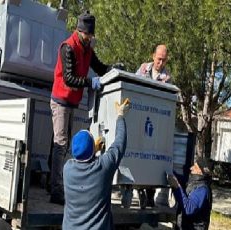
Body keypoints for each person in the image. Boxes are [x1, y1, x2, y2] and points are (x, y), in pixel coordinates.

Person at [50, 10, 122, 205]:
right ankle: (56, 191)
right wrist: (91, 82)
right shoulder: (68, 47)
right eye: (88, 35)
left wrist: (114, 69)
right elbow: (69, 78)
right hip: (61, 100)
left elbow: (99, 67)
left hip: (72, 101)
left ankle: (58, 182)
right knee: (61, 144)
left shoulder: (87, 48)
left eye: (91, 36)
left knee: (64, 145)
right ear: (80, 31)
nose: (90, 38)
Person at [62, 99, 130, 230]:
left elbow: (80, 158)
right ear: (92, 149)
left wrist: (93, 150)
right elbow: (120, 142)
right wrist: (120, 115)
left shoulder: (68, 169)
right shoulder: (103, 166)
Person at [135, 44, 171, 208]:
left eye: (164, 60)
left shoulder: (167, 77)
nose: (160, 62)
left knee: (152, 158)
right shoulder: (143, 69)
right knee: (138, 155)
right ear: (153, 56)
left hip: (155, 121)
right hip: (140, 116)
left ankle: (150, 195)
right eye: (158, 59)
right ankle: (139, 191)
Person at [167, 157, 213, 230]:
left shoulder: (202, 190)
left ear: (200, 171)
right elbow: (177, 178)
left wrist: (177, 187)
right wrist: (167, 169)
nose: (191, 168)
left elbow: (189, 209)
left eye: (195, 167)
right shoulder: (193, 181)